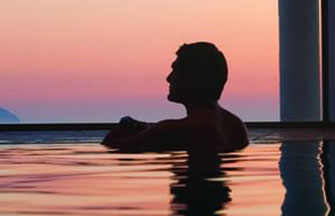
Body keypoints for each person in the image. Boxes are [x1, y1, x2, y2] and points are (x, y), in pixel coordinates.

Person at [101, 42, 249, 152]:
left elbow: (112, 147)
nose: (168, 78)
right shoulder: (236, 125)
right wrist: (146, 127)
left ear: (191, 78)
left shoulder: (174, 129)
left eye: (175, 71)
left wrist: (124, 124)